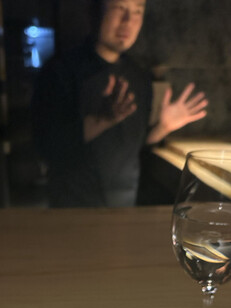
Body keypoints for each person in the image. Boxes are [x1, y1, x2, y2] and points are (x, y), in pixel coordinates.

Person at [31, 0, 208, 207]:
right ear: (95, 13)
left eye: (137, 11)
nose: (128, 21)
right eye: (119, 9)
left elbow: (136, 146)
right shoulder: (60, 71)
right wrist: (101, 120)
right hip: (73, 208)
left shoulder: (139, 76)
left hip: (125, 205)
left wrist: (163, 127)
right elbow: (47, 146)